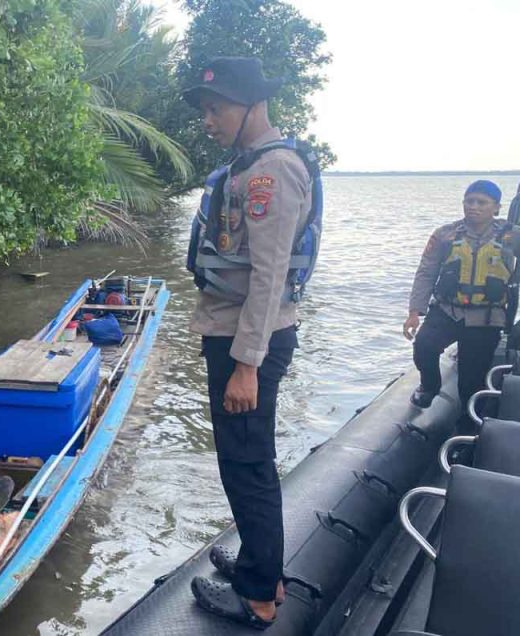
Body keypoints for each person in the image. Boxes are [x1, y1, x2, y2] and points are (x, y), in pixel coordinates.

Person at [182, 57, 321, 629]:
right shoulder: (247, 167)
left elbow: (268, 276)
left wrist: (246, 366)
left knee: (247, 463)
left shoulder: (273, 171)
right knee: (244, 461)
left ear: (252, 105)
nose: (208, 120)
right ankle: (263, 566)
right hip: (235, 333)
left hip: (247, 341)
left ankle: (259, 597)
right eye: (206, 110)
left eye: (217, 108)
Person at [403, 180, 518, 430]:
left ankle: (468, 428)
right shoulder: (445, 234)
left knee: (471, 380)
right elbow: (426, 272)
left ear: (496, 207)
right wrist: (414, 312)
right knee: (424, 346)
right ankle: (429, 386)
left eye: (482, 202)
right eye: (469, 201)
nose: (474, 207)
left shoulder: (512, 236)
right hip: (447, 311)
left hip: (486, 318)